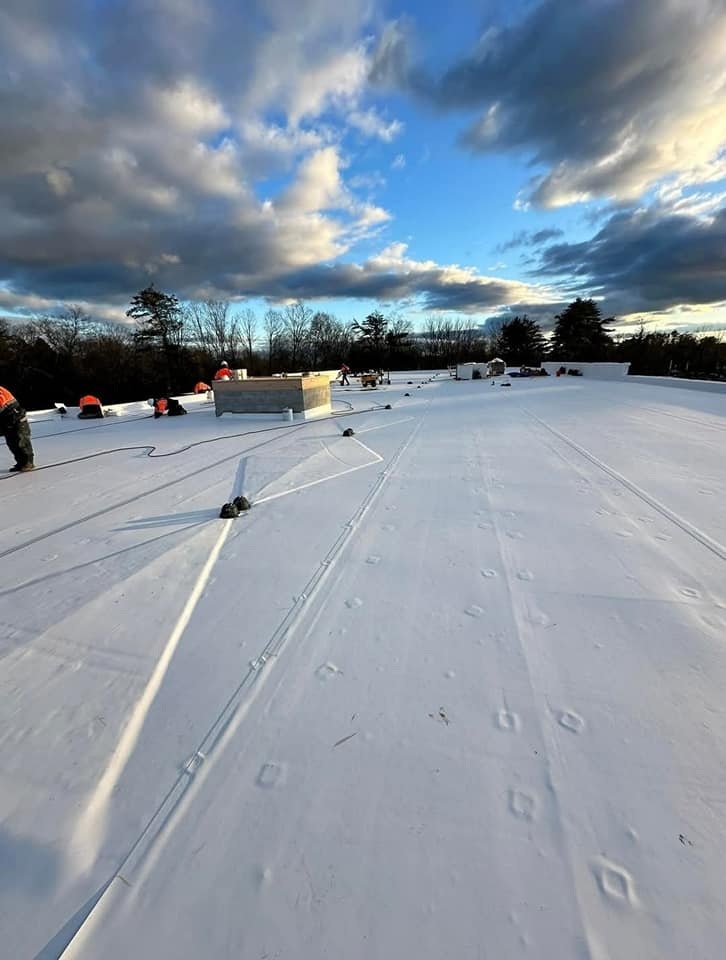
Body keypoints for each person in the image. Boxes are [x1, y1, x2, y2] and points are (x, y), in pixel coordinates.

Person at [0, 386, 35, 472]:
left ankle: (28, 463)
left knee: (20, 440)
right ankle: (22, 462)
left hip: (13, 413)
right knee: (12, 441)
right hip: (7, 414)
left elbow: (3, 403)